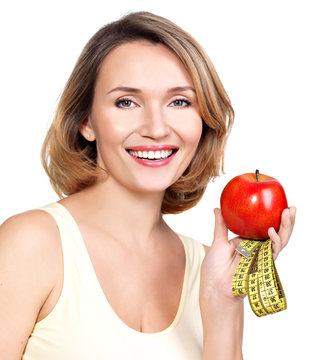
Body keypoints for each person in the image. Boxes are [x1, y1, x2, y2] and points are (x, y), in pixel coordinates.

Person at [0, 11, 296, 360]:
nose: (156, 127)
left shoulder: (210, 266)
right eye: (126, 101)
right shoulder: (31, 244)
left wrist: (222, 303)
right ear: (86, 122)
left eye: (180, 101)